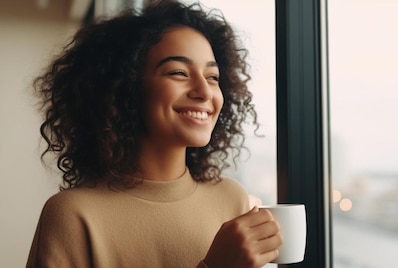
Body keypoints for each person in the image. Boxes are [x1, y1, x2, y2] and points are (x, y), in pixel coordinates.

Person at [26, 0, 282, 267]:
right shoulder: (72, 214)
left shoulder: (232, 199)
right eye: (178, 73)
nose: (204, 91)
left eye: (212, 77)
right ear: (127, 88)